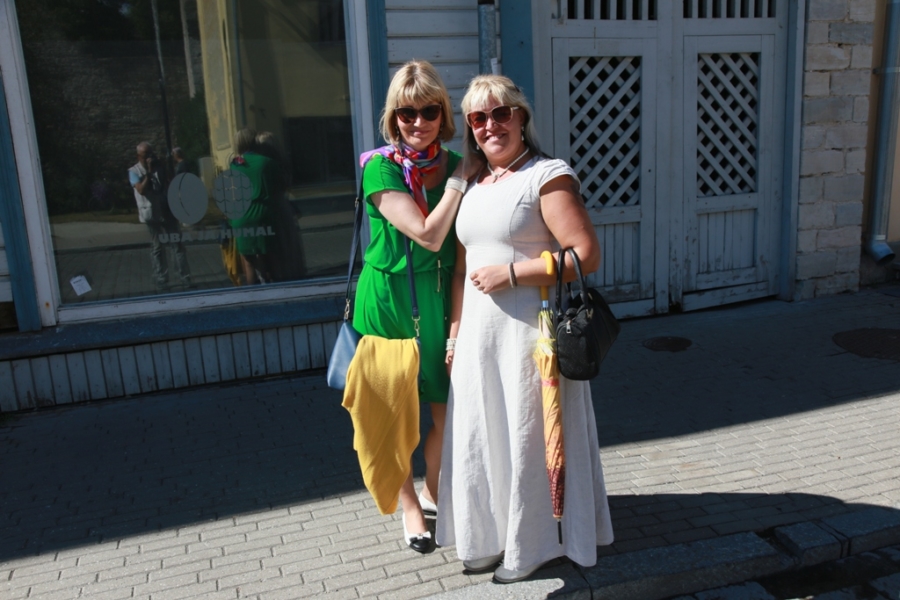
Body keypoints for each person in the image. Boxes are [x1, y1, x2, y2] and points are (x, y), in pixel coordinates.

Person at [437, 75, 614, 583]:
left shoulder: (546, 175)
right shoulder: (474, 183)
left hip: (527, 337)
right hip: (478, 338)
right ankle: (488, 536)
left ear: (521, 117)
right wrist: (454, 335)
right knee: (483, 436)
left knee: (529, 438)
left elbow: (585, 255)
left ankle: (532, 546)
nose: (490, 125)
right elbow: (460, 270)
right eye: (478, 118)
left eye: (501, 113)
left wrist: (511, 273)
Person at [353, 60, 476, 554]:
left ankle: (434, 491)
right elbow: (427, 235)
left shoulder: (455, 163)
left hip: (440, 299)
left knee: (449, 415)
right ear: (393, 117)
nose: (419, 122)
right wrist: (459, 181)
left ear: (443, 113)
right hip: (389, 303)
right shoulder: (380, 167)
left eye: (429, 111)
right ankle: (410, 509)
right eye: (407, 113)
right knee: (393, 414)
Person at [128, 141, 191, 290]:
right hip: (151, 213)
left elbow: (170, 183)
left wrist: (162, 167)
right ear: (138, 156)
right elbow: (141, 190)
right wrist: (149, 173)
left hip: (167, 209)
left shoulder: (160, 167)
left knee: (177, 244)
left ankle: (185, 277)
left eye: (151, 154)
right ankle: (161, 278)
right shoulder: (133, 171)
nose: (149, 158)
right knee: (157, 247)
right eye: (145, 155)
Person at [229, 128, 283, 284]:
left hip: (240, 217)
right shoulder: (267, 162)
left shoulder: (235, 164)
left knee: (249, 263)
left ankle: (253, 295)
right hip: (262, 215)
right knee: (270, 259)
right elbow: (278, 188)